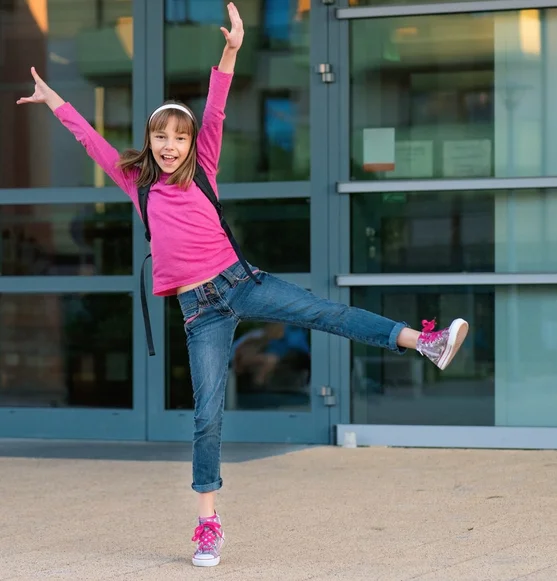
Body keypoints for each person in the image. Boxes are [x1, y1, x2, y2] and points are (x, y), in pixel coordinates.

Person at [17, 2, 469, 568]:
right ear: (151, 141)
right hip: (197, 311)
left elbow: (219, 106)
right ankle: (208, 525)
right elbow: (89, 140)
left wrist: (232, 48)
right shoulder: (137, 184)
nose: (170, 145)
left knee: (325, 313)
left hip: (240, 282)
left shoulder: (204, 164)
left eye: (178, 137)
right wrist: (54, 100)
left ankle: (422, 341)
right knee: (207, 412)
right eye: (162, 137)